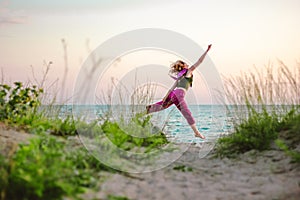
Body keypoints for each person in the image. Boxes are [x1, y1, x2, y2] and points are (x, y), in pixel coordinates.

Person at [146, 44, 212, 139]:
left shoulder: (179, 77)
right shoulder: (188, 72)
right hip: (179, 95)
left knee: (161, 106)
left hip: (173, 94)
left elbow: (171, 89)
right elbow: (199, 61)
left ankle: (144, 112)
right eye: (186, 64)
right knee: (186, 113)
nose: (188, 65)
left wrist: (165, 98)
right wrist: (207, 51)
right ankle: (196, 132)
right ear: (184, 66)